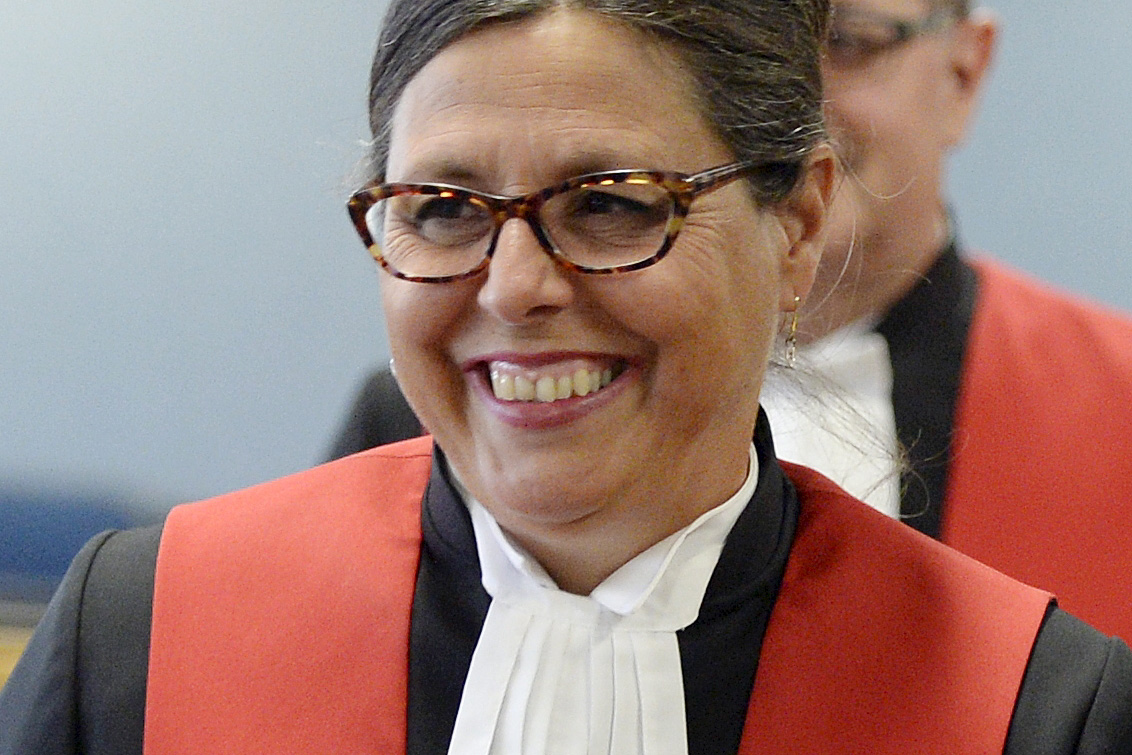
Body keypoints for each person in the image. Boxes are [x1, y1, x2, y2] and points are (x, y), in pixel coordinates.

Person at [3, 1, 1132, 753]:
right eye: (443, 209)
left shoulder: (1038, 708)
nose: (513, 287)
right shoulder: (137, 637)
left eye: (612, 203)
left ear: (795, 223)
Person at [326, 0, 1132, 643]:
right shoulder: (424, 417)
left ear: (964, 71)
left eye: (843, 41)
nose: (775, 96)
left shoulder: (1114, 404)